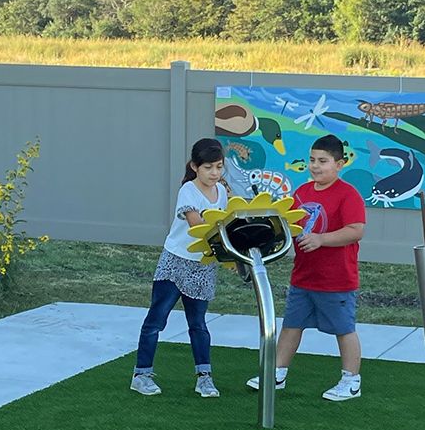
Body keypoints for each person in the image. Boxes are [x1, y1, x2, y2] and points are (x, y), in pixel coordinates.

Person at [246, 134, 366, 401]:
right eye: (312, 160)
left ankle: (351, 381)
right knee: (291, 325)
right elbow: (290, 224)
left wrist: (321, 239)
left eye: (323, 161)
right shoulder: (301, 192)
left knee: (344, 329)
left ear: (340, 164)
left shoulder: (349, 195)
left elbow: (356, 231)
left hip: (337, 279)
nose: (315, 166)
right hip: (303, 276)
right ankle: (276, 374)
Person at [130, 138, 228, 398]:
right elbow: (197, 226)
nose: (215, 173)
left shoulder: (223, 192)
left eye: (219, 167)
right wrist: (218, 227)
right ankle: (141, 374)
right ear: (195, 166)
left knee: (198, 324)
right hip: (176, 262)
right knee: (156, 320)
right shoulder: (188, 190)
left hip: (204, 266)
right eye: (209, 167)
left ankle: (204, 377)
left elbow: (225, 228)